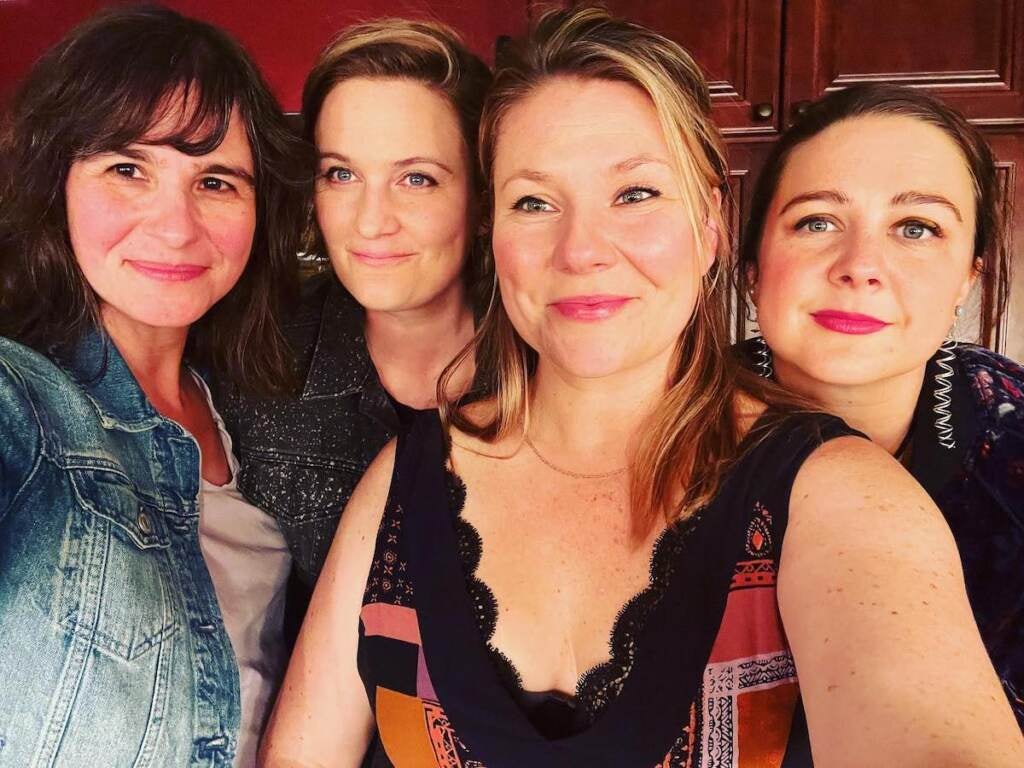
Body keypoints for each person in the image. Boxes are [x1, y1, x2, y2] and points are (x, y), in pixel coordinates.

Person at [259, 8, 1024, 768]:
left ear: (713, 226)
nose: (582, 248)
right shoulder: (402, 480)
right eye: (533, 202)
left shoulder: (842, 497)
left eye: (636, 195)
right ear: (493, 233)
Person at [0, 6, 308, 766]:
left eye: (216, 181)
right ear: (55, 184)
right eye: (128, 169)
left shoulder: (255, 403)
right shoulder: (24, 402)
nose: (176, 226)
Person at [739, 83, 1024, 729]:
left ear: (967, 277)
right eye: (817, 221)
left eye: (916, 228)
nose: (861, 266)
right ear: (753, 265)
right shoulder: (652, 423)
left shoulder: (1013, 442)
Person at [213, 19, 492, 622]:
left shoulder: (557, 365)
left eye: (416, 179)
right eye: (341, 174)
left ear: (482, 198)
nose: (370, 222)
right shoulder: (255, 364)